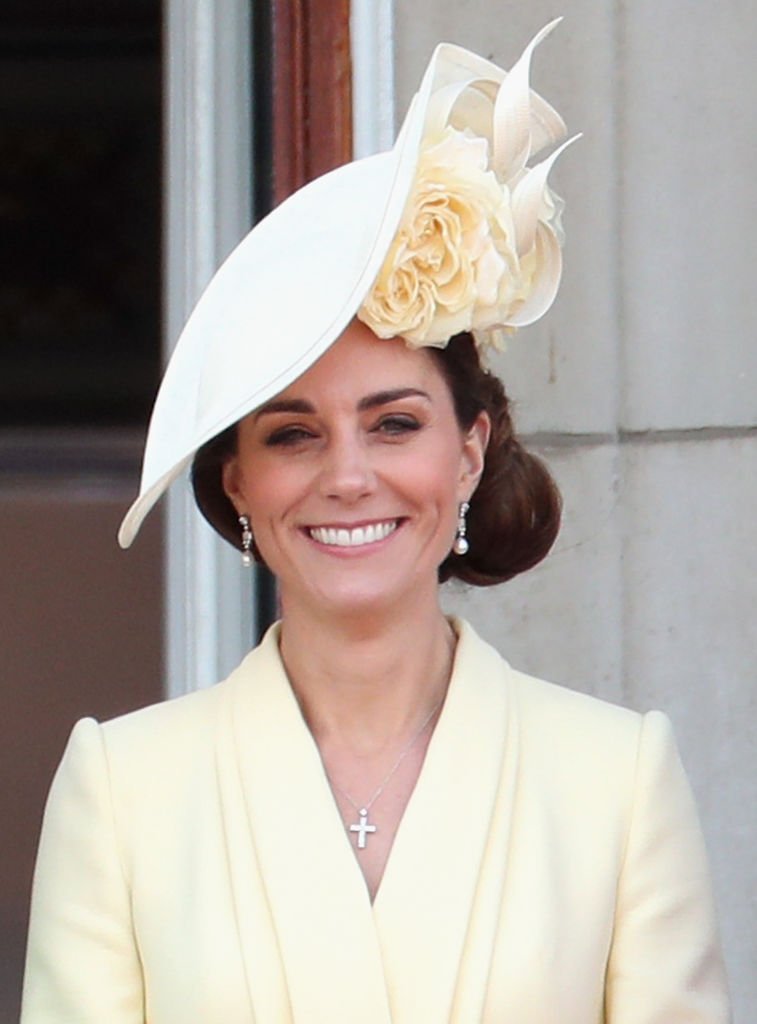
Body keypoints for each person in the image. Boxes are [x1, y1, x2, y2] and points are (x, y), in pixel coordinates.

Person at [21, 21, 730, 1024]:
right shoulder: (124, 790)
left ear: (469, 450)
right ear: (236, 481)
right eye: (293, 435)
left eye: (393, 423)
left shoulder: (615, 782)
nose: (349, 477)